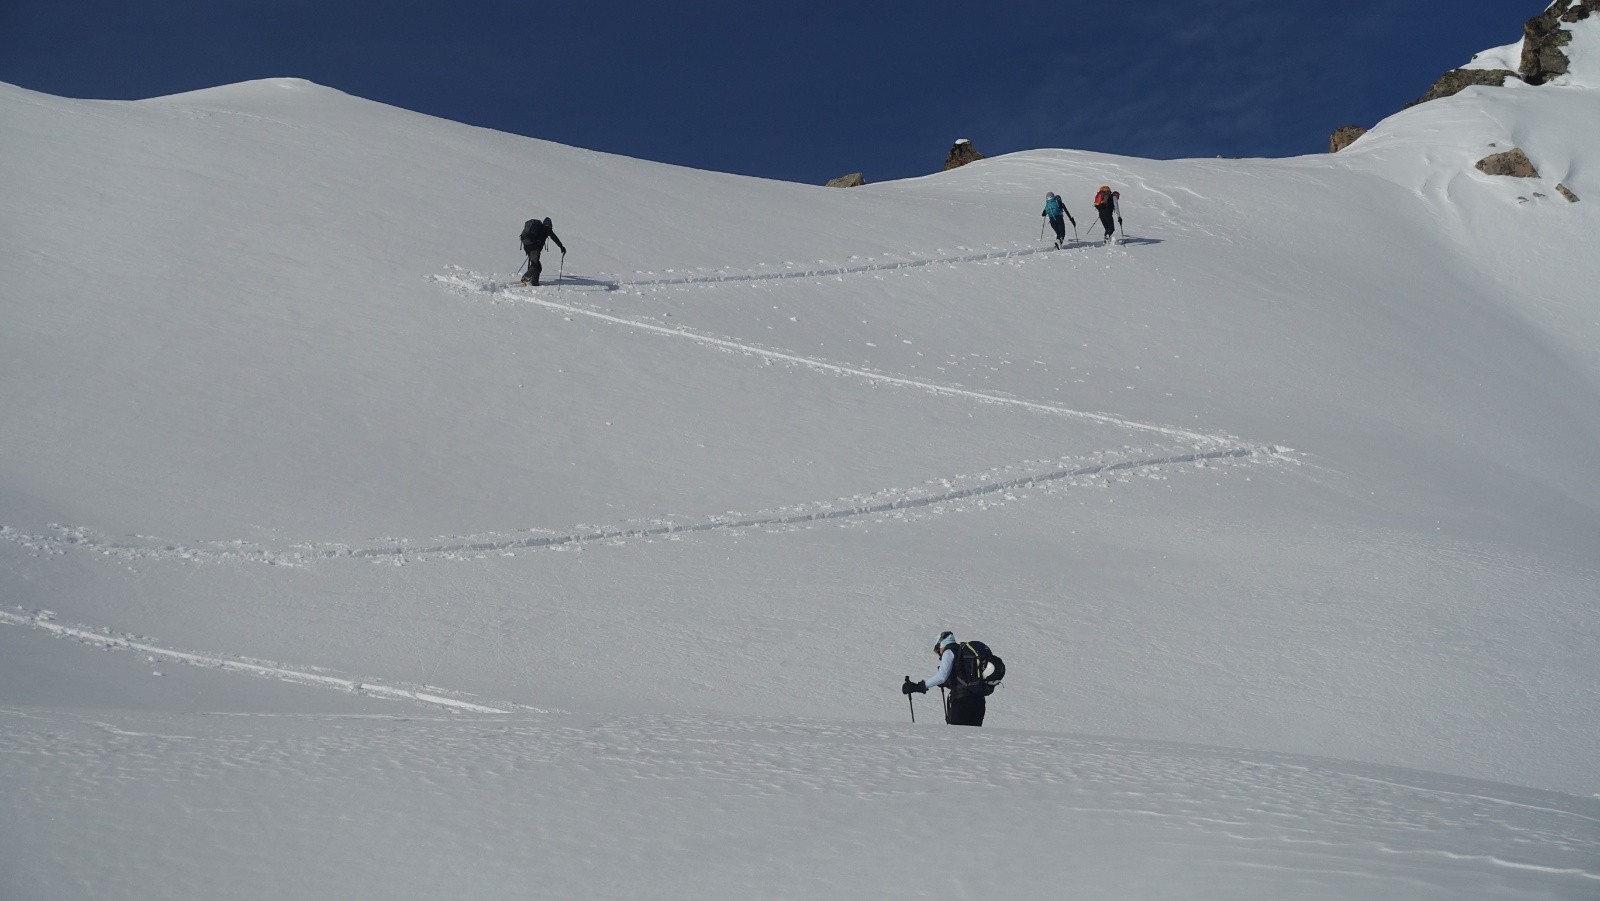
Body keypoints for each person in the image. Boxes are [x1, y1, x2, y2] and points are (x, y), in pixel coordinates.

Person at [901, 631, 987, 726]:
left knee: (957, 737)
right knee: (971, 738)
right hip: (979, 701)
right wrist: (947, 683)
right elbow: (961, 677)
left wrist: (919, 686)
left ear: (941, 643)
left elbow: (942, 676)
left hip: (962, 703)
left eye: (937, 649)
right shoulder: (962, 652)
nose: (939, 653)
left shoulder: (949, 651)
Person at [519, 216, 567, 286]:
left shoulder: (539, 228)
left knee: (535, 264)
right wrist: (561, 247)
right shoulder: (547, 229)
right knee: (536, 266)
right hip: (534, 248)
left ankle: (535, 282)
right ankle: (525, 278)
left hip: (527, 246)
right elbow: (554, 237)